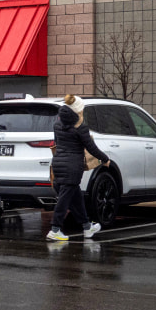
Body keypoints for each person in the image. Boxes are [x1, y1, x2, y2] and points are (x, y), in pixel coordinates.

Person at [47, 94, 111, 241]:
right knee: (64, 200)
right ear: (78, 111)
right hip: (72, 168)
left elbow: (58, 143)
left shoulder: (57, 125)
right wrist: (105, 159)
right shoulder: (80, 128)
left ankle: (87, 227)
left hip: (58, 163)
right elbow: (91, 148)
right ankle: (55, 230)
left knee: (77, 198)